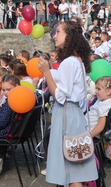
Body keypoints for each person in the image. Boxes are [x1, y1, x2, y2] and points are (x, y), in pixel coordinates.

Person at [37, 21, 98, 186]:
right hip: (72, 115)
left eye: (58, 32)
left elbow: (59, 96)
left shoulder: (70, 62)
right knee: (74, 169)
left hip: (66, 116)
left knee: (71, 172)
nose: (54, 36)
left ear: (69, 36)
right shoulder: (76, 60)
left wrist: (46, 72)